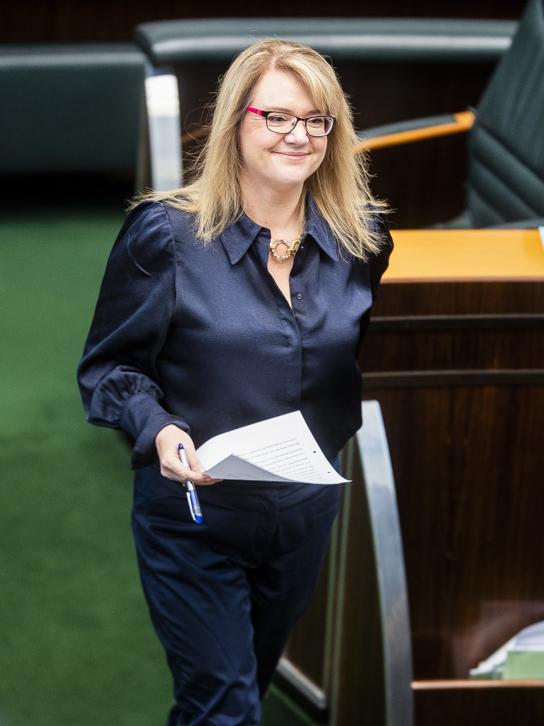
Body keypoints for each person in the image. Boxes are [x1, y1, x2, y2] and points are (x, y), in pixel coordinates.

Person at [78, 38, 392, 726]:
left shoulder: (361, 240)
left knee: (244, 678)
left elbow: (342, 360)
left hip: (306, 511)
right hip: (194, 515)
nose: (297, 135)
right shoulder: (166, 236)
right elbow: (108, 367)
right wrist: (157, 428)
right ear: (235, 124)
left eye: (316, 120)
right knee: (224, 709)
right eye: (275, 116)